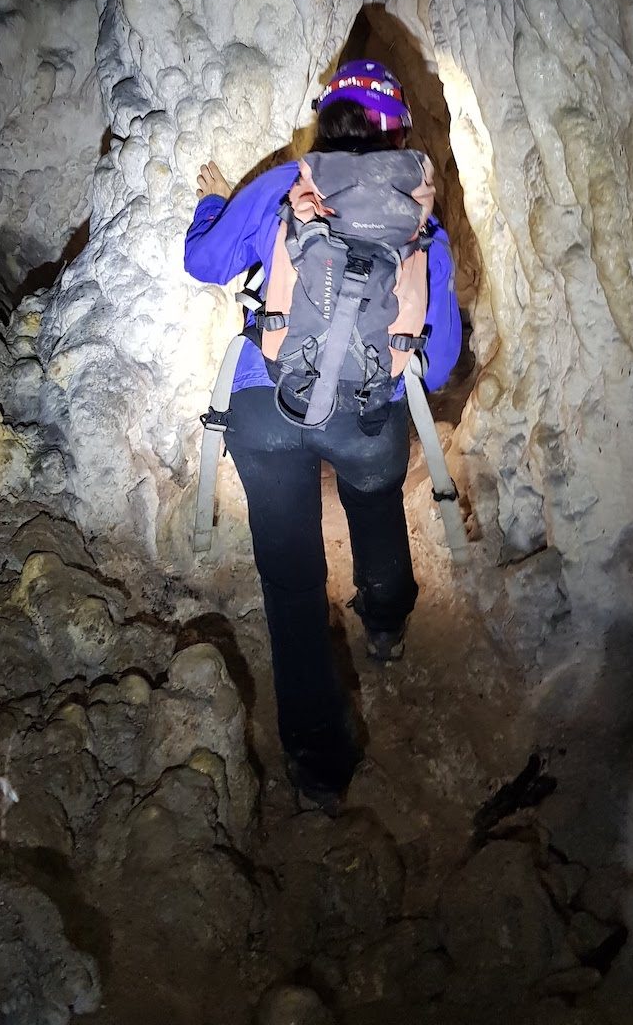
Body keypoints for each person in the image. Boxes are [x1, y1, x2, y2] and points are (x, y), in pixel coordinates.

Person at [184, 59, 462, 811]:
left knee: (292, 585)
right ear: (398, 129)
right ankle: (386, 621)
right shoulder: (421, 218)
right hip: (367, 418)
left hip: (263, 405)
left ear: (326, 118)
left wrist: (211, 205)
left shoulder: (289, 186)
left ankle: (318, 769)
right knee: (375, 504)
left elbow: (203, 261)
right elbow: (437, 366)